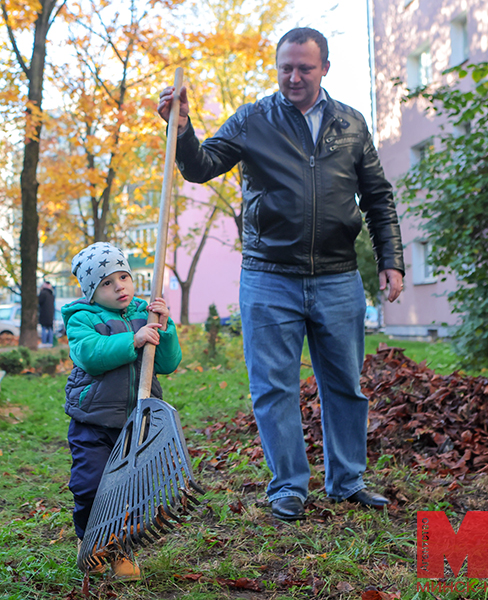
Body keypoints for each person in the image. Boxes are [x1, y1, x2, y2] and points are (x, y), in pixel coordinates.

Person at [158, 27, 405, 522]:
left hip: (337, 277)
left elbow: (378, 197)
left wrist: (391, 259)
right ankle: (289, 485)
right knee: (274, 387)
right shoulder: (254, 119)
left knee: (345, 386)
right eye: (285, 68)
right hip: (270, 276)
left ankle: (347, 480)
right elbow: (201, 167)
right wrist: (182, 129)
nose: (294, 77)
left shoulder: (352, 125)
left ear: (325, 69)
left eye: (305, 68)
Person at [63, 242, 182, 579]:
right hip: (93, 420)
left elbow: (168, 363)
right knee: (90, 485)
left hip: (136, 422)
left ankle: (122, 550)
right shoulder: (82, 318)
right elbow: (90, 355)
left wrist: (165, 327)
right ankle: (90, 540)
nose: (119, 286)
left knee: (131, 490)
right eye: (106, 282)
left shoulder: (145, 313)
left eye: (123, 277)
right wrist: (134, 340)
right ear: (90, 291)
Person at [38, 280, 56, 345]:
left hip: (44, 314)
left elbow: (39, 302)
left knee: (44, 328)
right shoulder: (51, 294)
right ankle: (50, 342)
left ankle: (44, 342)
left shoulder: (43, 293)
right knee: (50, 328)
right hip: (51, 315)